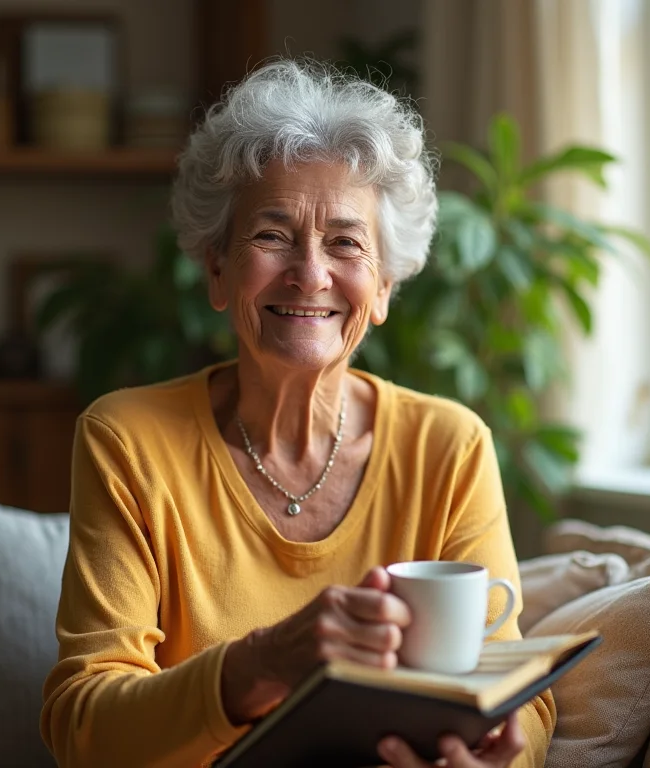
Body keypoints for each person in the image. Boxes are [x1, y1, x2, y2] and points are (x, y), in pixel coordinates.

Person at [40, 59, 555, 768]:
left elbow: (516, 687)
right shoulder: (128, 440)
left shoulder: (449, 446)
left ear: (382, 288)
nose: (310, 273)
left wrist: (500, 760)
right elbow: (83, 728)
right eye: (272, 234)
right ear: (217, 269)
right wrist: (262, 663)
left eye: (346, 242)